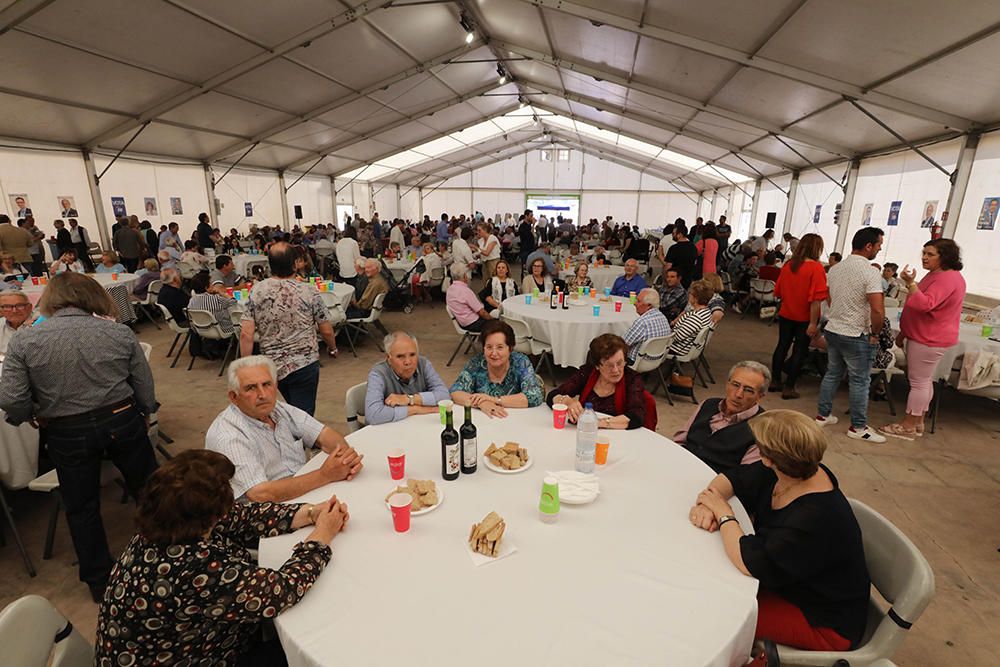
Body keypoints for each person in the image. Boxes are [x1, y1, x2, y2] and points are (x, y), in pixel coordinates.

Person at [95, 450, 347, 667]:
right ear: (209, 515)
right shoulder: (190, 567)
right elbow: (280, 591)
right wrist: (323, 534)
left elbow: (241, 517)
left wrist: (311, 513)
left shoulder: (168, 521)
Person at [0, 272, 158, 601]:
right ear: (93, 296)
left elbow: (11, 398)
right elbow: (143, 383)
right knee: (151, 492)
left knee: (81, 507)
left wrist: (28, 415)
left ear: (48, 299)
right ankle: (167, 557)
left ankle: (100, 581)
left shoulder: (25, 340)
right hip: (120, 418)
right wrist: (145, 412)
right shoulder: (117, 332)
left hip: (66, 429)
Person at [689, 410, 870, 656]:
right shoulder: (792, 471)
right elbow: (734, 478)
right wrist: (708, 502)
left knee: (712, 616)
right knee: (702, 583)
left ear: (770, 458)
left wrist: (723, 514)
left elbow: (749, 561)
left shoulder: (813, 516)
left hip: (822, 620)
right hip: (790, 586)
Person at [206, 356, 362, 501]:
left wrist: (345, 460)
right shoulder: (228, 435)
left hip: (305, 491)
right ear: (234, 397)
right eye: (251, 388)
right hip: (267, 514)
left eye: (267, 385)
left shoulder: (276, 409)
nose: (262, 394)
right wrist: (325, 475)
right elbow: (260, 494)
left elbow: (325, 434)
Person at [880, 239, 966, 438]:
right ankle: (918, 422)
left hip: (928, 338)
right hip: (924, 335)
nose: (924, 257)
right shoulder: (939, 275)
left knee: (918, 382)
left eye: (930, 254)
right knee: (925, 381)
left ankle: (908, 424)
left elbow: (924, 304)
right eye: (924, 253)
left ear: (944, 257)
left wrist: (910, 284)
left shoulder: (946, 279)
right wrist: (904, 333)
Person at [240, 243, 339, 416]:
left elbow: (246, 334)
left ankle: (298, 437)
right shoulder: (308, 290)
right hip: (304, 362)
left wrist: (246, 366)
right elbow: (326, 329)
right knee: (303, 413)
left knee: (292, 408)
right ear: (295, 264)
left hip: (273, 364)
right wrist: (332, 348)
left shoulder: (257, 291)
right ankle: (299, 440)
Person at [815, 227, 887, 443]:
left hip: (834, 329)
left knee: (832, 373)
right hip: (856, 333)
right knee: (860, 381)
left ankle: (823, 415)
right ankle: (858, 427)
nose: (880, 248)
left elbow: (829, 297)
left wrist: (839, 313)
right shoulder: (871, 273)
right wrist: (875, 332)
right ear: (868, 246)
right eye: (878, 245)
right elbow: (877, 309)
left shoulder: (835, 269)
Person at [674, 361, 768, 472]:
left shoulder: (762, 429)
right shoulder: (708, 404)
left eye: (748, 390)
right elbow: (679, 442)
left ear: (760, 396)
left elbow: (744, 476)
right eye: (735, 385)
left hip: (714, 484)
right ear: (727, 384)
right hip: (681, 467)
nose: (738, 394)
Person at [548, 334, 649, 430]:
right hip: (585, 432)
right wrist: (567, 401)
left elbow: (637, 417)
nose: (616, 370)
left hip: (618, 435)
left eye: (619, 363)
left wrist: (599, 423)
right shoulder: (587, 373)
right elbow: (552, 395)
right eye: (609, 365)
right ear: (597, 366)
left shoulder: (632, 379)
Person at [771, 233, 829, 400]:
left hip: (786, 312)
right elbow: (816, 300)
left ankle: (775, 380)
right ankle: (789, 387)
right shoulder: (816, 268)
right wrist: (813, 323)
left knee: (782, 345)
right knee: (799, 351)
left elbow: (779, 291)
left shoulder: (789, 265)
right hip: (804, 317)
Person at [450, 320, 544, 418]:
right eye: (489, 347)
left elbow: (534, 396)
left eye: (500, 347)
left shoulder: (520, 362)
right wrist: (482, 403)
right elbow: (455, 392)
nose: (494, 353)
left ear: (510, 348)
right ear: (484, 348)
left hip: (515, 419)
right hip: (485, 420)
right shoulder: (476, 363)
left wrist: (494, 400)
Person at [365, 332, 451, 425]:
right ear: (389, 358)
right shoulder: (377, 374)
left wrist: (409, 399)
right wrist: (416, 409)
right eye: (400, 356)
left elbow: (445, 395)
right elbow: (373, 415)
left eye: (412, 355)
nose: (408, 362)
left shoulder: (424, 364)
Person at [622, 288, 671, 364]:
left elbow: (623, 344)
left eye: (638, 301)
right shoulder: (663, 317)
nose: (634, 303)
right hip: (657, 359)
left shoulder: (643, 322)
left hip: (638, 362)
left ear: (648, 305)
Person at [667, 281, 715, 356]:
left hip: (678, 349)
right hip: (689, 347)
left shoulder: (696, 317)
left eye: (690, 293)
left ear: (695, 298)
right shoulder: (706, 312)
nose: (688, 295)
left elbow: (677, 337)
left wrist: (664, 334)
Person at [447, 264, 493, 331]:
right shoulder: (465, 291)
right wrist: (493, 320)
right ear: (465, 276)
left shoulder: (450, 289)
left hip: (461, 322)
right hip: (473, 323)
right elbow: (481, 312)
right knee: (499, 325)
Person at [664, 221, 698, 287]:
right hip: (688, 281)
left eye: (674, 234)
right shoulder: (693, 247)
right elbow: (695, 263)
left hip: (675, 281)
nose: (672, 236)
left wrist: (666, 280)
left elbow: (668, 267)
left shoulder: (674, 248)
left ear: (679, 235)